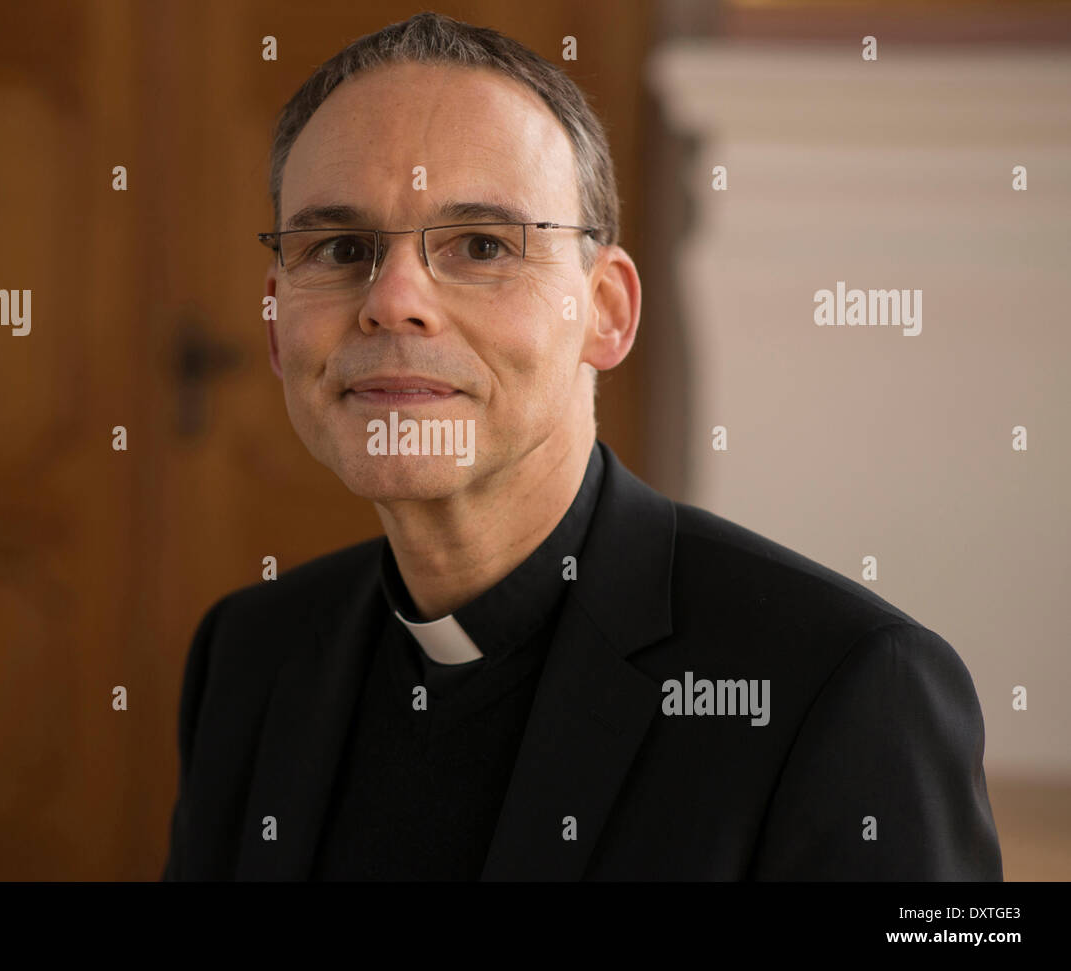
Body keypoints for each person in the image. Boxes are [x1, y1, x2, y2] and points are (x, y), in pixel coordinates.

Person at [162, 12, 1001, 881]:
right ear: (274, 321)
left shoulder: (847, 687)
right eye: (340, 248)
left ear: (607, 311)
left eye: (482, 244)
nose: (393, 299)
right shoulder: (248, 654)